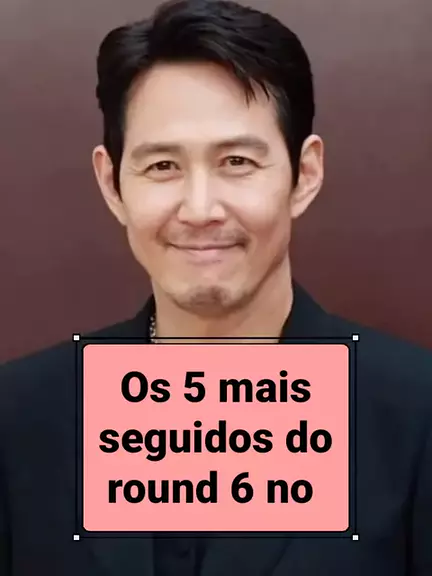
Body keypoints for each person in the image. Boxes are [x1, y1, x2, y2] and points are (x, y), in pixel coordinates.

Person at [0, 0, 431, 574]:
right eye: (162, 167)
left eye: (237, 161)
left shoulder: (415, 416)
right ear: (112, 184)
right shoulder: (19, 417)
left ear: (305, 174)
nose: (200, 209)